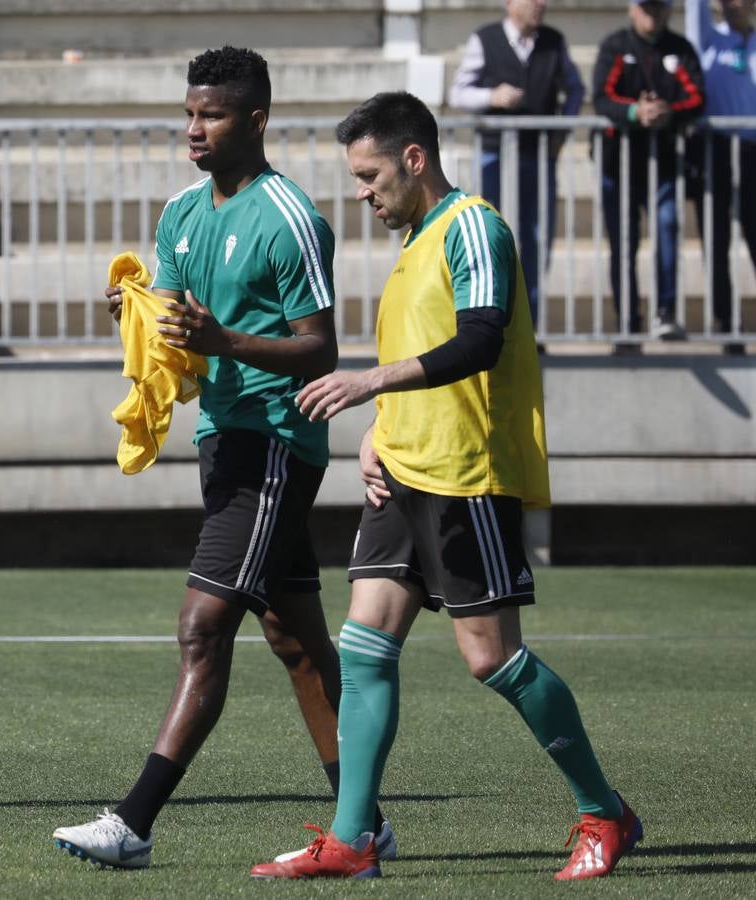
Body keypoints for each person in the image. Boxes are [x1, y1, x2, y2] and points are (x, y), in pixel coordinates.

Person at [249, 92, 640, 882]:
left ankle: (605, 811)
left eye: (370, 175)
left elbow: (481, 340)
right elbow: (420, 366)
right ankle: (354, 841)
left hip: (467, 476)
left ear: (414, 159)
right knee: (361, 650)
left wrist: (370, 384)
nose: (362, 192)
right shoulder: (416, 242)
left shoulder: (472, 225)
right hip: (402, 475)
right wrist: (379, 434)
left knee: (493, 659)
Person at [51, 46, 393, 870]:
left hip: (277, 442)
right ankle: (365, 825)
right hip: (223, 440)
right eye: (189, 114)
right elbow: (179, 337)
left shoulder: (291, 217)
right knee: (297, 641)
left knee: (203, 628)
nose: (194, 130)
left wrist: (224, 338)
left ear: (257, 120)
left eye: (211, 115)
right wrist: (138, 314)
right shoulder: (179, 214)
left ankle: (133, 822)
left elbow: (321, 350)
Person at [448, 0, 586, 326]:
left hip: (539, 156)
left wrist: (563, 129)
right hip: (496, 155)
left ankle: (530, 327)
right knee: (494, 237)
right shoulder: (485, 38)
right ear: (510, 4)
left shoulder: (553, 40)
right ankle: (496, 325)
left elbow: (576, 89)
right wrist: (491, 96)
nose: (541, 5)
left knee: (537, 239)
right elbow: (458, 93)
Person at [593, 0, 704, 339]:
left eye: (658, 7)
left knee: (668, 227)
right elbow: (602, 96)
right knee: (623, 244)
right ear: (632, 9)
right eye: (646, 7)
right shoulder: (616, 45)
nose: (651, 14)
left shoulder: (680, 48)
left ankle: (665, 313)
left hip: (665, 166)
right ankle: (628, 322)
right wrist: (634, 112)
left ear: (669, 11)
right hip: (618, 167)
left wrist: (666, 112)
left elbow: (697, 98)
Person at [687, 0, 756, 334]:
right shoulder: (708, 38)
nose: (730, 4)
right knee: (716, 238)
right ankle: (726, 319)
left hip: (753, 150)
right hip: (715, 149)